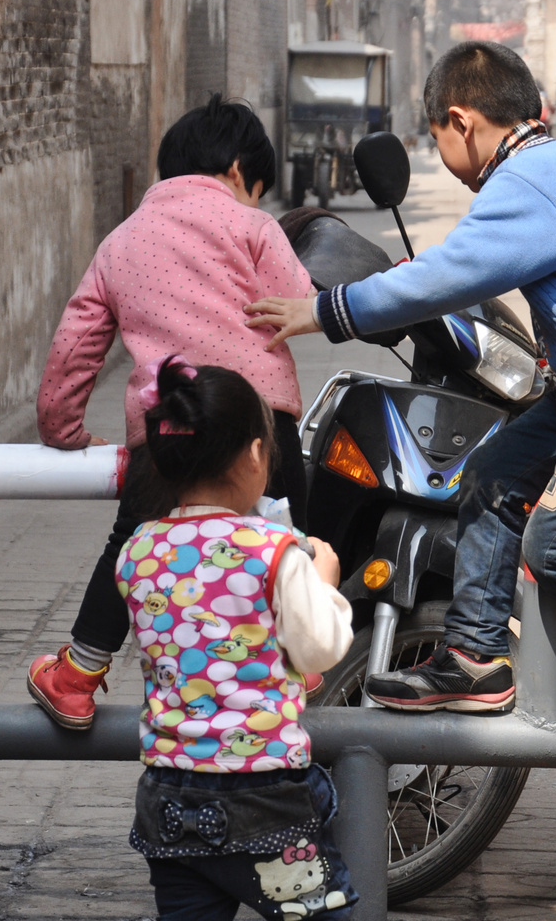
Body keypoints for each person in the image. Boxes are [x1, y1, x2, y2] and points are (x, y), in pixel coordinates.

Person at [246, 41, 556, 723]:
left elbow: (442, 276)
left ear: (460, 121)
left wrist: (326, 310)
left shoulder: (526, 184)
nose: (444, 150)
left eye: (438, 137)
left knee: (553, 546)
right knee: (491, 476)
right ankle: (474, 657)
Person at [27, 95, 317, 731]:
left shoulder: (122, 239)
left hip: (170, 432)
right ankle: (301, 660)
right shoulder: (253, 226)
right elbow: (302, 304)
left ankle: (76, 678)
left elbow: (76, 343)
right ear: (241, 170)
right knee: (283, 535)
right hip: (262, 425)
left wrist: (62, 429)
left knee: (128, 544)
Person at [121, 357, 355, 921]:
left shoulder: (139, 550)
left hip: (168, 796)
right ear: (256, 454)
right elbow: (320, 649)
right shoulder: (273, 550)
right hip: (262, 796)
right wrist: (323, 580)